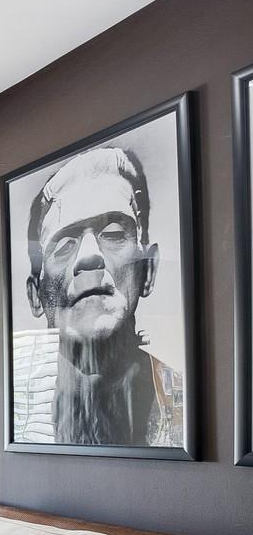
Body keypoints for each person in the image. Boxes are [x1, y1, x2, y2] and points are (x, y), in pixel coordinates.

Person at [17, 145, 183, 447]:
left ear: (148, 270)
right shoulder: (19, 412)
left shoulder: (185, 406)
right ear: (36, 296)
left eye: (115, 234)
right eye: (63, 246)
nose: (89, 256)